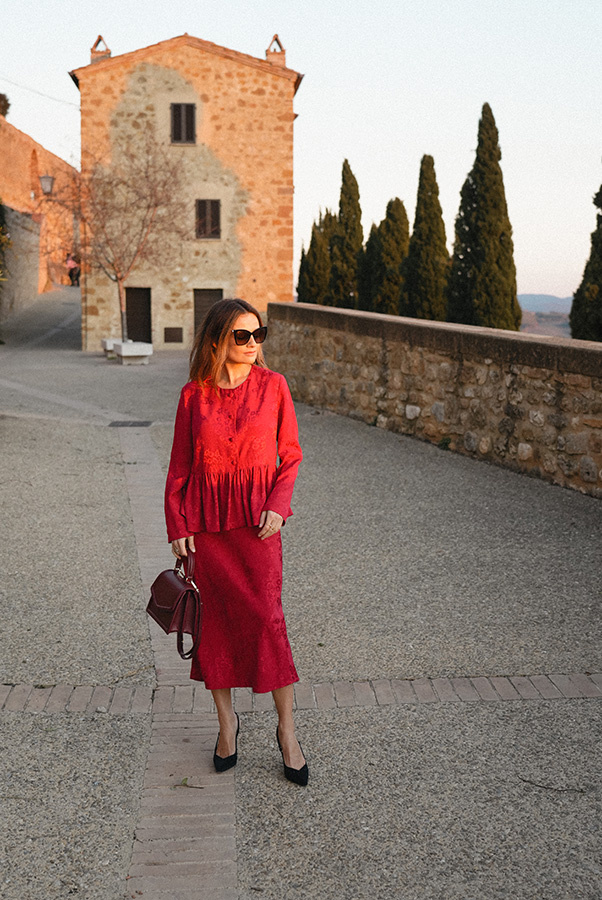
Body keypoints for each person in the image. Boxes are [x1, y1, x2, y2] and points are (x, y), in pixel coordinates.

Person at [164, 298, 308, 786]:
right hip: (206, 528)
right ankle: (227, 726)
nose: (251, 344)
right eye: (241, 335)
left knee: (268, 620)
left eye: (257, 334)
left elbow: (290, 454)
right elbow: (180, 466)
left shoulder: (274, 386)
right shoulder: (193, 396)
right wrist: (177, 524)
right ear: (216, 340)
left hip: (258, 525)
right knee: (215, 627)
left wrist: (279, 504)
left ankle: (287, 731)